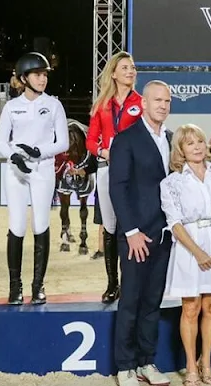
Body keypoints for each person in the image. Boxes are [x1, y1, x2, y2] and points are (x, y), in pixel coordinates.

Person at [160, 124, 211, 386]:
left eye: (200, 141)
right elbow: (175, 223)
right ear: (180, 149)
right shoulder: (171, 182)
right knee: (191, 308)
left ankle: (207, 363)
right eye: (190, 143)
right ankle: (191, 366)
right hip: (189, 248)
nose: (197, 146)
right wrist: (198, 253)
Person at [109, 80, 172, 386]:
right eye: (157, 100)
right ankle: (124, 366)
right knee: (131, 302)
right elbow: (117, 188)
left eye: (167, 101)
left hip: (164, 235)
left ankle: (147, 361)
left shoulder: (171, 140)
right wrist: (131, 232)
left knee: (152, 302)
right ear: (143, 104)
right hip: (137, 237)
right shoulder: (126, 139)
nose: (163, 105)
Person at [0, 52, 69, 305]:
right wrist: (14, 156)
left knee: (40, 224)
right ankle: (15, 287)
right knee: (16, 225)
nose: (43, 78)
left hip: (42, 170)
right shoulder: (11, 107)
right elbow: (1, 141)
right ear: (24, 78)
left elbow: (63, 142)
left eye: (45, 74)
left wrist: (41, 152)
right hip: (16, 171)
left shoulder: (54, 105)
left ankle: (38, 286)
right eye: (38, 74)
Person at [86, 51, 142, 304]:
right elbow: (90, 140)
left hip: (135, 171)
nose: (130, 71)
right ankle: (112, 283)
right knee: (109, 226)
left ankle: (131, 283)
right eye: (125, 68)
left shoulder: (141, 102)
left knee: (131, 225)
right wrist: (103, 151)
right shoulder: (101, 105)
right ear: (114, 74)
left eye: (132, 68)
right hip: (108, 168)